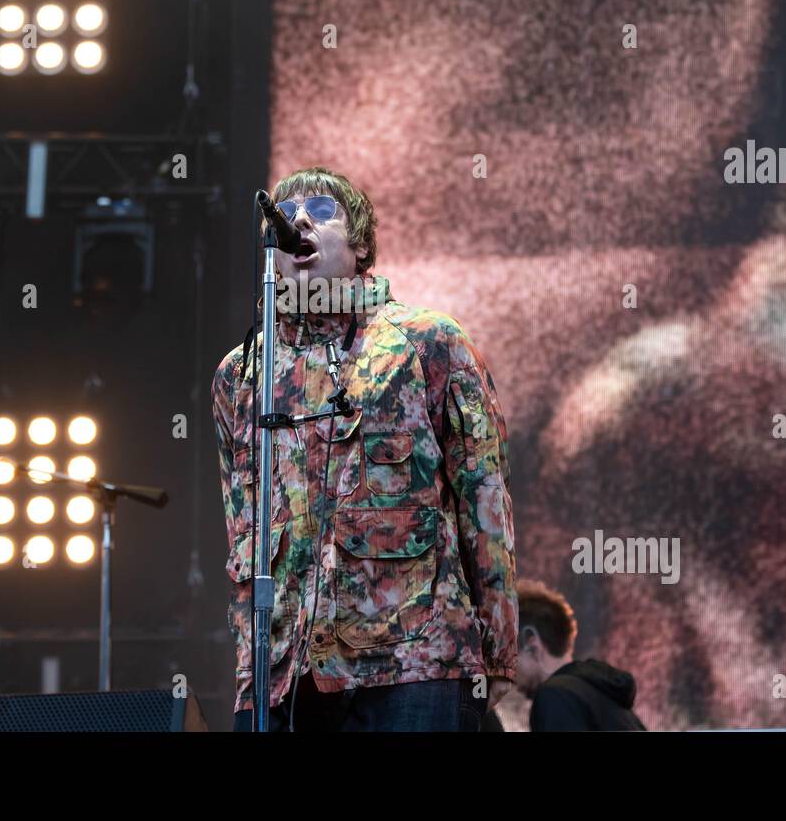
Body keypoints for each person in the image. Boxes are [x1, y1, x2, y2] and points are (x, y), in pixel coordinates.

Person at [212, 167, 517, 731]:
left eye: (322, 211)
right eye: (287, 212)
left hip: (414, 659)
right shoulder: (243, 373)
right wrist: (249, 671)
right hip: (286, 671)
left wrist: (497, 645)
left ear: (360, 246)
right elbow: (241, 528)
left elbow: (485, 496)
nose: (300, 219)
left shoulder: (428, 342)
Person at [489, 580, 644, 732]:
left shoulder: (555, 697)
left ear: (532, 643)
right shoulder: (605, 698)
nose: (506, 674)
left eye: (505, 655)